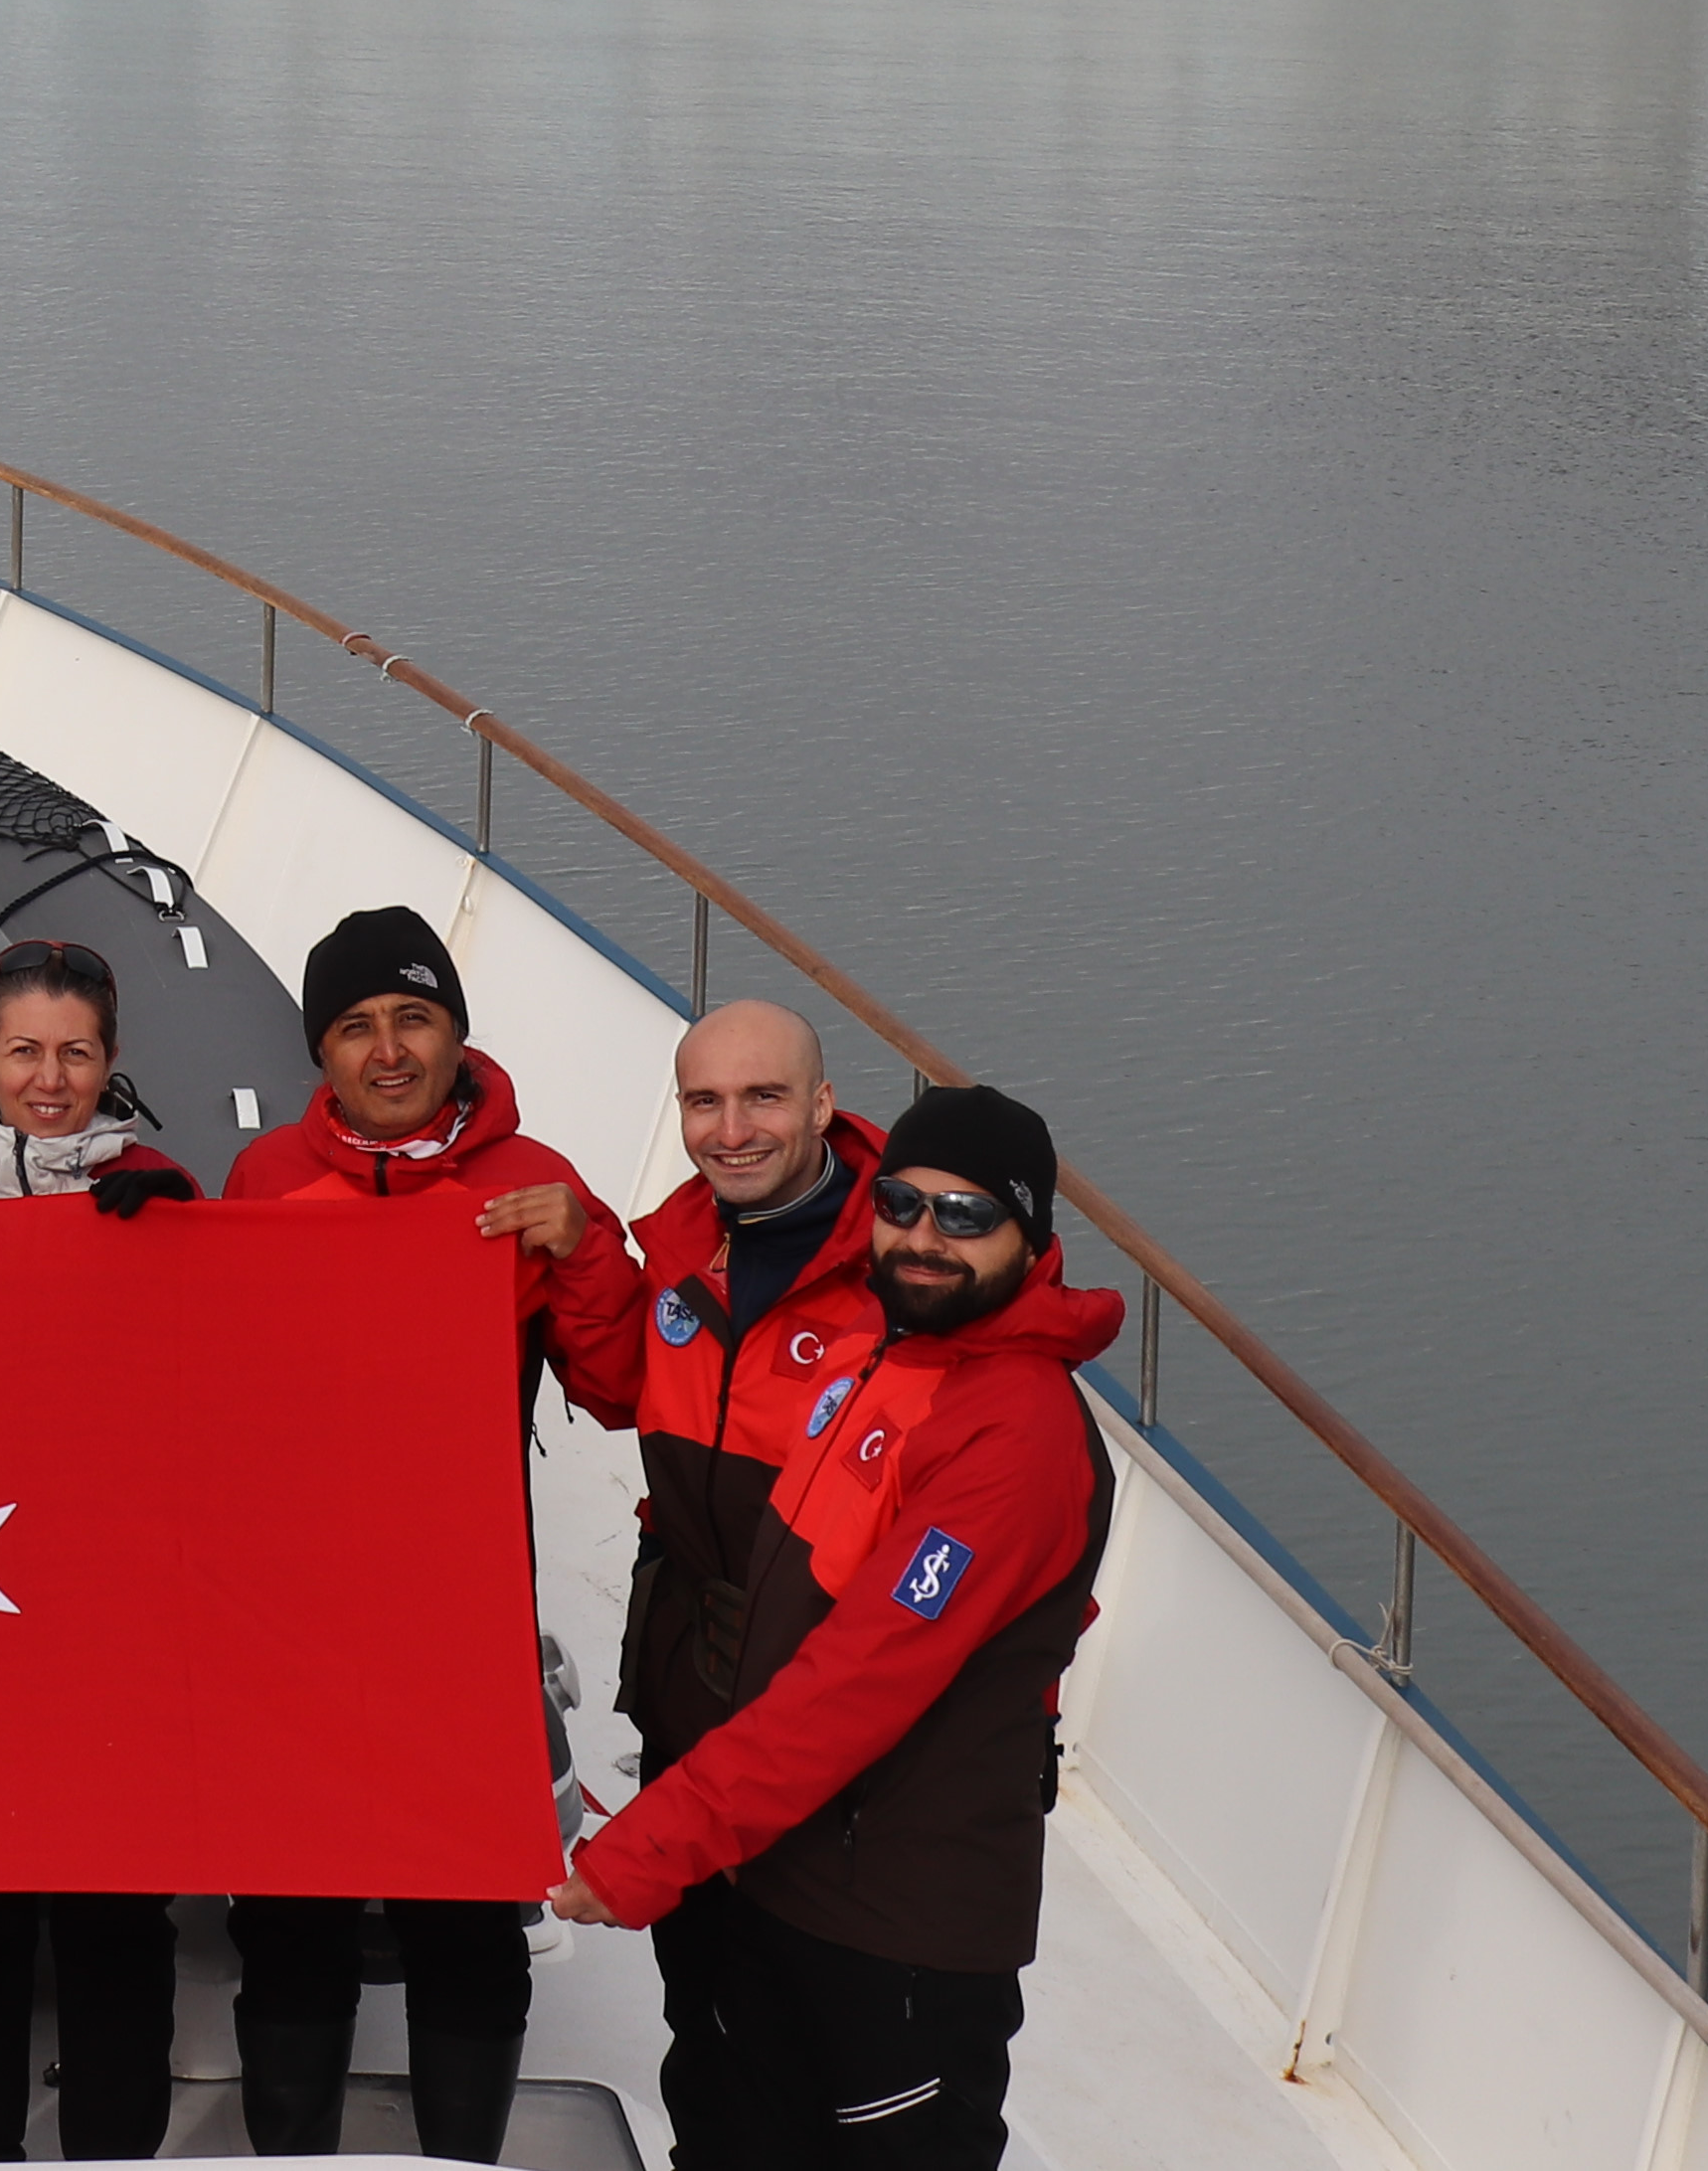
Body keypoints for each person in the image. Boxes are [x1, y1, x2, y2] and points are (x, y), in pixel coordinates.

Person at [546, 1086, 1127, 2171]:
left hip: (900, 1930)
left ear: (1031, 1235)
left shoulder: (1017, 1432)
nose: (922, 1238)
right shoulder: (884, 1357)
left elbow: (853, 1686)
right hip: (785, 1876)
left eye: (966, 1216)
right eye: (903, 1203)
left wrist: (652, 1847)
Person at [214, 904, 643, 2165]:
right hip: (296, 1619)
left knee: (463, 1919)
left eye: (413, 1018)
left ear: (457, 1031)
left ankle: (459, 2157)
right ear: (321, 1052)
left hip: (457, 1621)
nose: (387, 1050)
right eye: (355, 1027)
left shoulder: (532, 1183)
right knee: (289, 1920)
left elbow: (621, 1390)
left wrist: (584, 1254)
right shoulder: (263, 1183)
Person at [0, 940, 202, 2166]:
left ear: (110, 1061)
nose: (49, 1079)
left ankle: (116, 2147)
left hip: (115, 1618)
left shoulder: (170, 1192)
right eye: (24, 1050)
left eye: (75, 1053)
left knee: (119, 1912)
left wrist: (187, 1254)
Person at [612, 1004, 884, 2171]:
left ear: (823, 1103)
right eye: (703, 1102)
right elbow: (612, 1376)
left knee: (822, 2037)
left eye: (763, 1097)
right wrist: (577, 1245)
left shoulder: (899, 1273)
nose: (731, 1130)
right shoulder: (679, 1255)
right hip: (691, 1691)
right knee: (705, 2011)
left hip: (828, 1733)